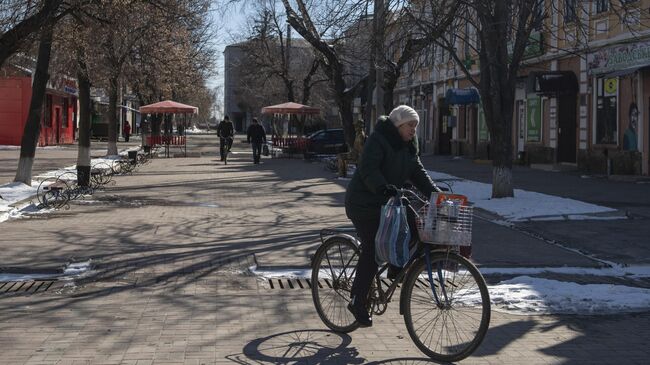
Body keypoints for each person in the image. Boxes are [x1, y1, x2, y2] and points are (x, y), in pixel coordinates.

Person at [345, 105, 437, 327]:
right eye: (410, 126)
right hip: (364, 203)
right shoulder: (379, 139)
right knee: (373, 247)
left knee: (415, 226)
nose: (414, 130)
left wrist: (437, 194)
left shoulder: (409, 146)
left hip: (389, 202)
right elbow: (367, 169)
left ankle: (396, 267)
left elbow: (418, 172)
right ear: (398, 125)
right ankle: (357, 300)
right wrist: (382, 187)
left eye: (416, 126)